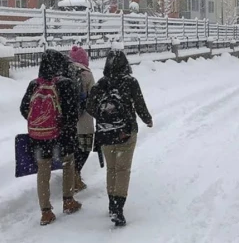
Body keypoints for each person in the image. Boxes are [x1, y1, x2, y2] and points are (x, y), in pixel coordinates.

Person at [86, 50, 153, 227]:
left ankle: (111, 203)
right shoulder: (130, 82)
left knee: (112, 169)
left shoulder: (101, 83)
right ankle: (118, 207)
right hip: (126, 132)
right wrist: (147, 119)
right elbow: (139, 104)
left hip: (105, 133)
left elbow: (90, 107)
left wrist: (104, 116)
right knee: (123, 170)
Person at [20, 49, 82, 226]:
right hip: (62, 136)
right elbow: (72, 113)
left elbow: (24, 109)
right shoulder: (66, 84)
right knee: (68, 164)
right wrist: (63, 125)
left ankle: (46, 212)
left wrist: (41, 122)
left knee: (43, 170)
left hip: (39, 137)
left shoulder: (34, 84)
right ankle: (68, 201)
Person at [68, 46, 95, 192]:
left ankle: (70, 176)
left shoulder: (63, 72)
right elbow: (94, 96)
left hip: (67, 121)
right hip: (84, 121)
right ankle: (76, 175)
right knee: (83, 149)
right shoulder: (87, 74)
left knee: (71, 150)